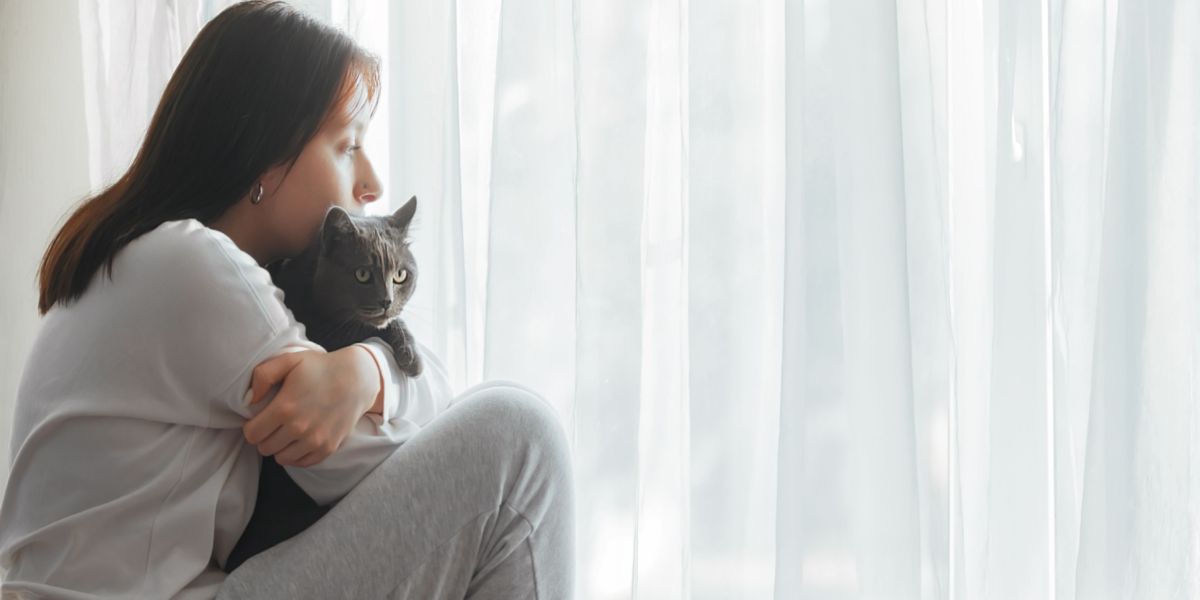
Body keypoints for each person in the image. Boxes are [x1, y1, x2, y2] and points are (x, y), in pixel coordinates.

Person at [0, 1, 575, 598]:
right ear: (267, 153)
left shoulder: (132, 254)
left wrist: (368, 369)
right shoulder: (193, 267)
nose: (372, 181)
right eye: (348, 145)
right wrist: (380, 375)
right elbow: (361, 464)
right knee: (519, 436)